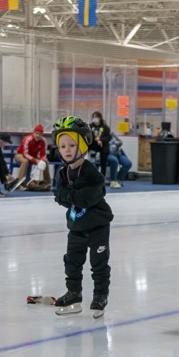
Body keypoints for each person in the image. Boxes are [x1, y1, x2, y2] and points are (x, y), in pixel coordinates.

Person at [51, 116, 113, 318]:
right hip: (76, 226)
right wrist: (72, 198)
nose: (66, 150)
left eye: (71, 145)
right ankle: (74, 294)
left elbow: (88, 197)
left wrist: (70, 197)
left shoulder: (92, 172)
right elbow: (58, 195)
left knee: (99, 263)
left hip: (97, 226)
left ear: (83, 144)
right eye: (62, 146)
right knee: (72, 261)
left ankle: (100, 295)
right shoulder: (63, 173)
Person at [88, 111, 112, 178]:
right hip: (93, 145)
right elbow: (88, 136)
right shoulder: (90, 126)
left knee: (103, 162)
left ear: (100, 118)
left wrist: (101, 139)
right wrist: (96, 139)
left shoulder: (105, 127)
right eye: (93, 117)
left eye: (96, 117)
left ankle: (102, 177)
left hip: (103, 146)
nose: (95, 119)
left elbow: (108, 137)